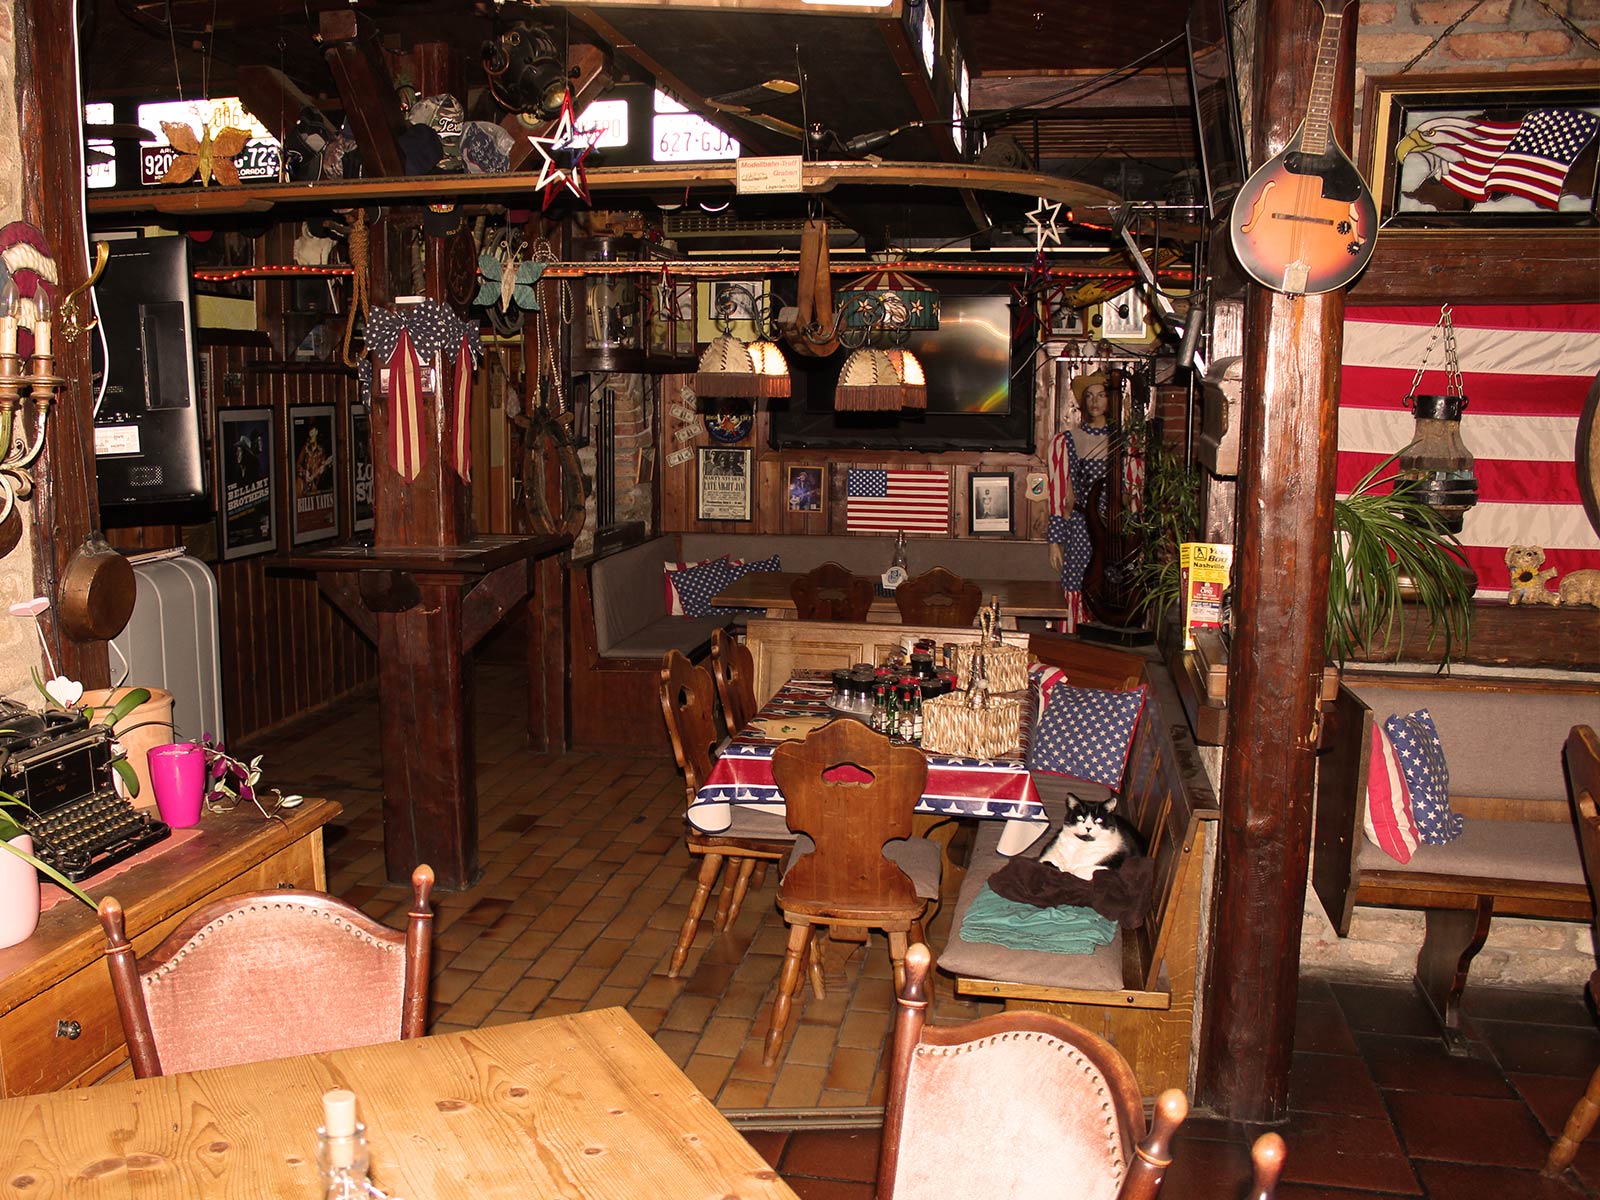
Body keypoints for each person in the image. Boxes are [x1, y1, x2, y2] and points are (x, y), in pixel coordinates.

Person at [1046, 371, 1112, 632]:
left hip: (1113, 528)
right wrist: (1055, 541)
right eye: (1089, 396)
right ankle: (1072, 638)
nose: (1095, 402)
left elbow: (1133, 491)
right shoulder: (1068, 441)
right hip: (1082, 525)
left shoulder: (1122, 440)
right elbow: (1058, 493)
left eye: (1101, 395)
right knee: (1075, 580)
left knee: (1109, 582)